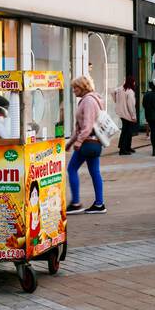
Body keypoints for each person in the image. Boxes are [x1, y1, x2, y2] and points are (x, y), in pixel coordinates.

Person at [66, 75, 106, 214]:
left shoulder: (88, 101)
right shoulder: (94, 99)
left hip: (87, 143)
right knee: (95, 172)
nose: (73, 90)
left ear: (83, 87)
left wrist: (77, 142)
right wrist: (70, 142)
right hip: (95, 143)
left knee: (71, 169)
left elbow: (87, 126)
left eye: (75, 88)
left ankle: (76, 203)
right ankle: (99, 204)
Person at [115, 75, 138, 155]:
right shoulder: (130, 92)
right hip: (127, 114)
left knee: (125, 131)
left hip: (121, 113)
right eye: (134, 81)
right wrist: (133, 116)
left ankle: (126, 147)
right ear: (131, 82)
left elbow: (113, 92)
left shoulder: (120, 89)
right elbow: (131, 105)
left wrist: (117, 102)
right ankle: (123, 149)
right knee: (127, 132)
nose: (134, 83)